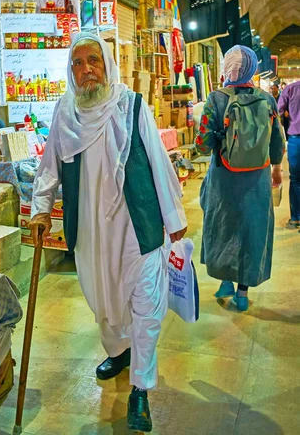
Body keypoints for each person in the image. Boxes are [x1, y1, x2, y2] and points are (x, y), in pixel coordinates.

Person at [30, 33, 187, 432]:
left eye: (93, 61)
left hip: (138, 226)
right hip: (90, 232)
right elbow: (49, 168)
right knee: (102, 299)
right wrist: (41, 209)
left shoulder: (132, 106)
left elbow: (157, 162)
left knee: (146, 306)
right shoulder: (66, 113)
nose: (86, 71)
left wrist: (174, 218)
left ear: (107, 64)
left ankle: (141, 388)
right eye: (78, 64)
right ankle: (119, 351)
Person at [195, 45, 284, 311]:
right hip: (257, 180)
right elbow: (277, 140)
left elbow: (202, 145)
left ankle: (224, 281)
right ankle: (242, 294)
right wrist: (277, 169)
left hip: (223, 179)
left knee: (222, 226)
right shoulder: (266, 99)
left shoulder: (215, 99)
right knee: (252, 230)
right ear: (252, 68)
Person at [278, 80, 300, 226]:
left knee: (296, 179)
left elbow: (277, 111)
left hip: (296, 139)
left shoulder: (291, 89)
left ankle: (296, 218)